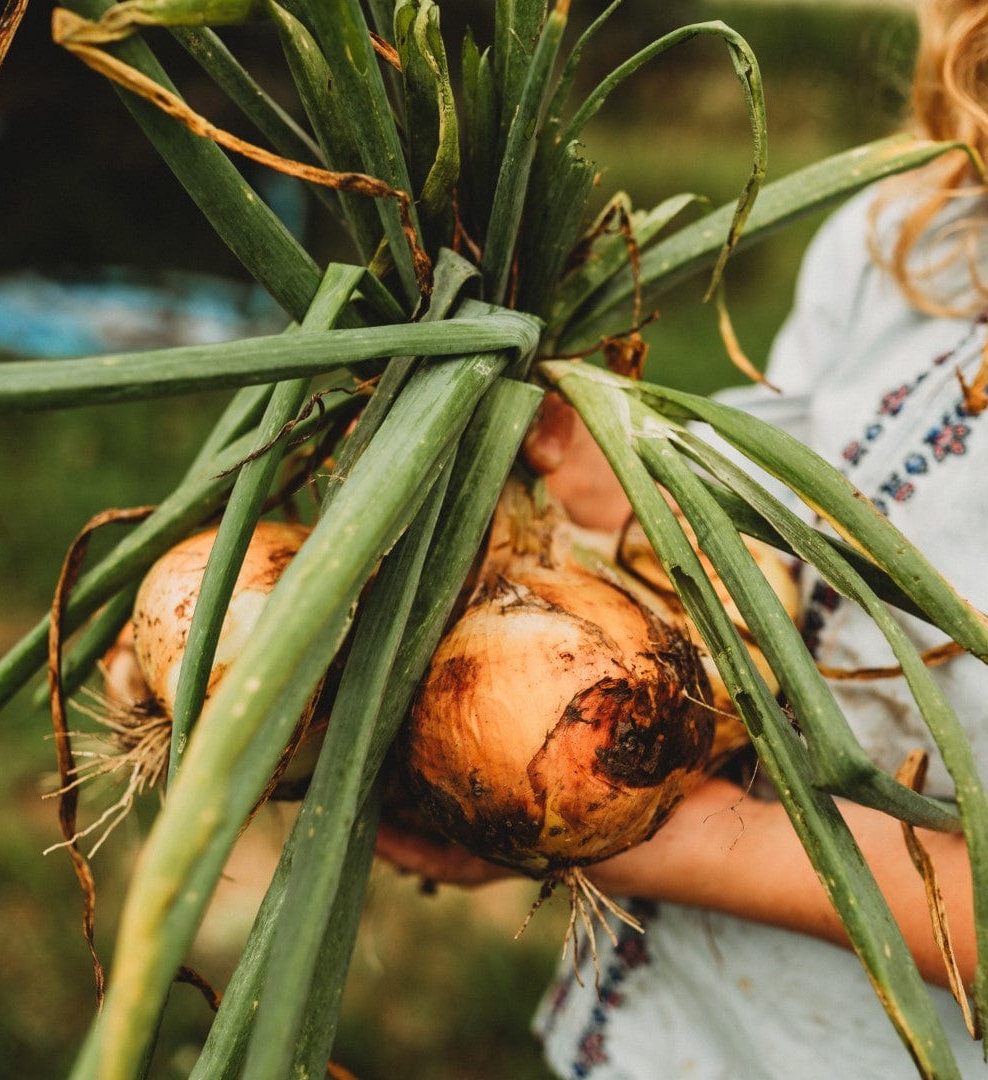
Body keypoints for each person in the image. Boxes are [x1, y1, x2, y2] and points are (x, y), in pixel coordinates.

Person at [378, 1, 988, 1076]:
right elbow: (776, 522)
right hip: (658, 1024)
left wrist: (619, 820)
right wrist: (640, 496)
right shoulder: (914, 224)